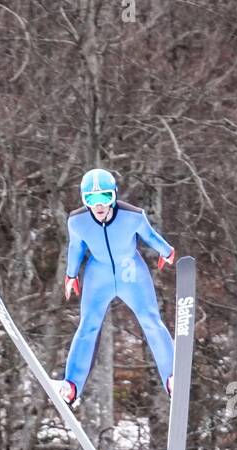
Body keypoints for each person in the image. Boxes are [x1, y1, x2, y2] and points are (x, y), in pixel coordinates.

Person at [52, 168, 177, 406]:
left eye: (104, 198)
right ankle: (71, 385)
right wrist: (71, 275)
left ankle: (172, 376)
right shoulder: (77, 221)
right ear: (83, 200)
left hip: (130, 271)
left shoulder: (133, 215)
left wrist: (167, 251)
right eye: (91, 200)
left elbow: (149, 236)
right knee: (88, 326)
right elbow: (76, 248)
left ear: (114, 196)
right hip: (98, 275)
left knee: (151, 320)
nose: (98, 206)